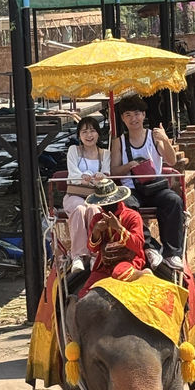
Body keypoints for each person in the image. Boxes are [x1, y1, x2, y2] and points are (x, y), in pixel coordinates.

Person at [111, 95, 185, 272]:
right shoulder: (119, 142)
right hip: (131, 188)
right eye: (128, 115)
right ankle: (149, 246)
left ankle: (172, 252)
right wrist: (129, 165)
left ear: (144, 115)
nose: (133, 119)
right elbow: (114, 171)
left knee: (173, 200)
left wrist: (166, 140)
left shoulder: (154, 136)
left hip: (155, 186)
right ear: (122, 118)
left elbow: (172, 161)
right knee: (127, 207)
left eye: (137, 114)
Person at [78, 178, 147, 298]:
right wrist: (96, 232)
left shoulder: (132, 216)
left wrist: (119, 228)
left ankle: (144, 274)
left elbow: (138, 245)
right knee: (84, 294)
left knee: (119, 273)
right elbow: (93, 249)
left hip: (129, 262)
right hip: (104, 266)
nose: (107, 206)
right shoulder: (97, 219)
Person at [63, 116, 111, 273]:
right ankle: (77, 255)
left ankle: (94, 253)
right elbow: (73, 173)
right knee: (80, 209)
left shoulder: (105, 153)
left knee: (93, 210)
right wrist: (83, 177)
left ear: (98, 134)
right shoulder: (73, 151)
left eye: (92, 131)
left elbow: (106, 174)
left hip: (95, 195)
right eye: (84, 131)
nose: (89, 135)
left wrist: (99, 177)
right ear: (79, 136)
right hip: (75, 194)